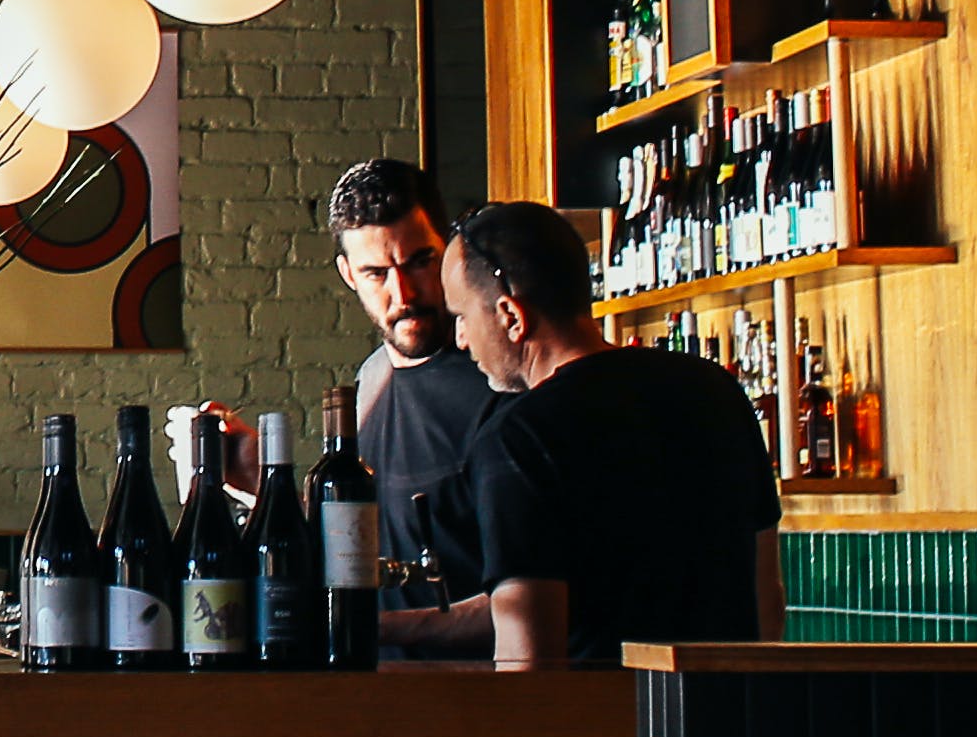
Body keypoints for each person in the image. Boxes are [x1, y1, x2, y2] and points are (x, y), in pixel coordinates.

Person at [378, 201, 779, 668]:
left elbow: (527, 668)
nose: (461, 338)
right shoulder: (716, 390)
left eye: (462, 315)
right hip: (723, 725)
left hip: (607, 732)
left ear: (510, 315)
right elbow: (766, 598)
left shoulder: (519, 438)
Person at [321, 159, 500, 569]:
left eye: (420, 262)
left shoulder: (497, 381)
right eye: (376, 273)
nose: (403, 293)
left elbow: (534, 591)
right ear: (349, 275)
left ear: (451, 250)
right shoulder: (370, 379)